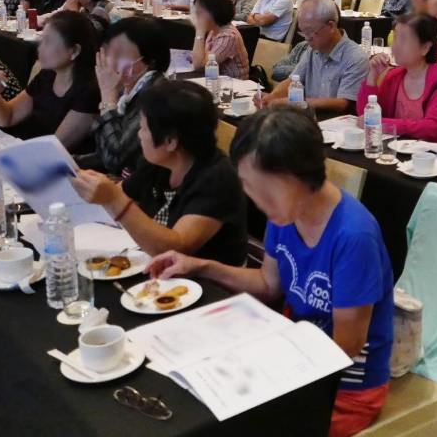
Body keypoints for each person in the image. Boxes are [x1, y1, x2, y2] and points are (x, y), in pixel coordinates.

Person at [147, 108, 393, 436]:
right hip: (297, 359)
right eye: (248, 187)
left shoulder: (353, 236)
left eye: (263, 188)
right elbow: (268, 284)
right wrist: (200, 266)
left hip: (345, 388)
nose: (256, 201)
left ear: (296, 175)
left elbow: (345, 346)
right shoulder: (286, 214)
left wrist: (263, 362)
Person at [72, 79, 247, 265]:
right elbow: (117, 195)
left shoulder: (217, 178)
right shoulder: (158, 164)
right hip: (158, 268)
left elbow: (177, 248)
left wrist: (114, 199)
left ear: (170, 141)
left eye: (143, 128)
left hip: (203, 280)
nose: (139, 135)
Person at [0, 11, 100, 150]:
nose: (40, 48)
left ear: (74, 51)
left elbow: (54, 148)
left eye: (48, 42)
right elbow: (9, 117)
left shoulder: (89, 91)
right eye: (42, 40)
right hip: (34, 151)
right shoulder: (47, 75)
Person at [85, 17, 169, 178]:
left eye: (120, 54)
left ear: (150, 60)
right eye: (109, 52)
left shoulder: (155, 95)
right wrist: (68, 161)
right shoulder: (126, 90)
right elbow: (104, 152)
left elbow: (116, 159)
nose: (111, 61)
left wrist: (108, 98)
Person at [358, 14, 437, 143]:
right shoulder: (394, 76)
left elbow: (431, 128)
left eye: (404, 40)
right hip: (401, 149)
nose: (395, 46)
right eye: (395, 37)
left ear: (425, 48)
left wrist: (381, 123)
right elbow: (365, 117)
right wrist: (372, 77)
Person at [264, 0, 368, 114]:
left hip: (336, 122)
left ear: (331, 26)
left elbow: (342, 104)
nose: (307, 38)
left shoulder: (356, 57)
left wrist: (297, 102)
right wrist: (272, 97)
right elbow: (292, 81)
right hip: (310, 118)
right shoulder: (312, 50)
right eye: (303, 32)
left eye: (310, 32)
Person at [192, 0, 249, 79]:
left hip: (233, 84)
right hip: (216, 80)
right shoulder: (214, 31)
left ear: (214, 12)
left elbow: (199, 66)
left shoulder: (229, 36)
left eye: (200, 12)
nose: (197, 16)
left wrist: (199, 31)